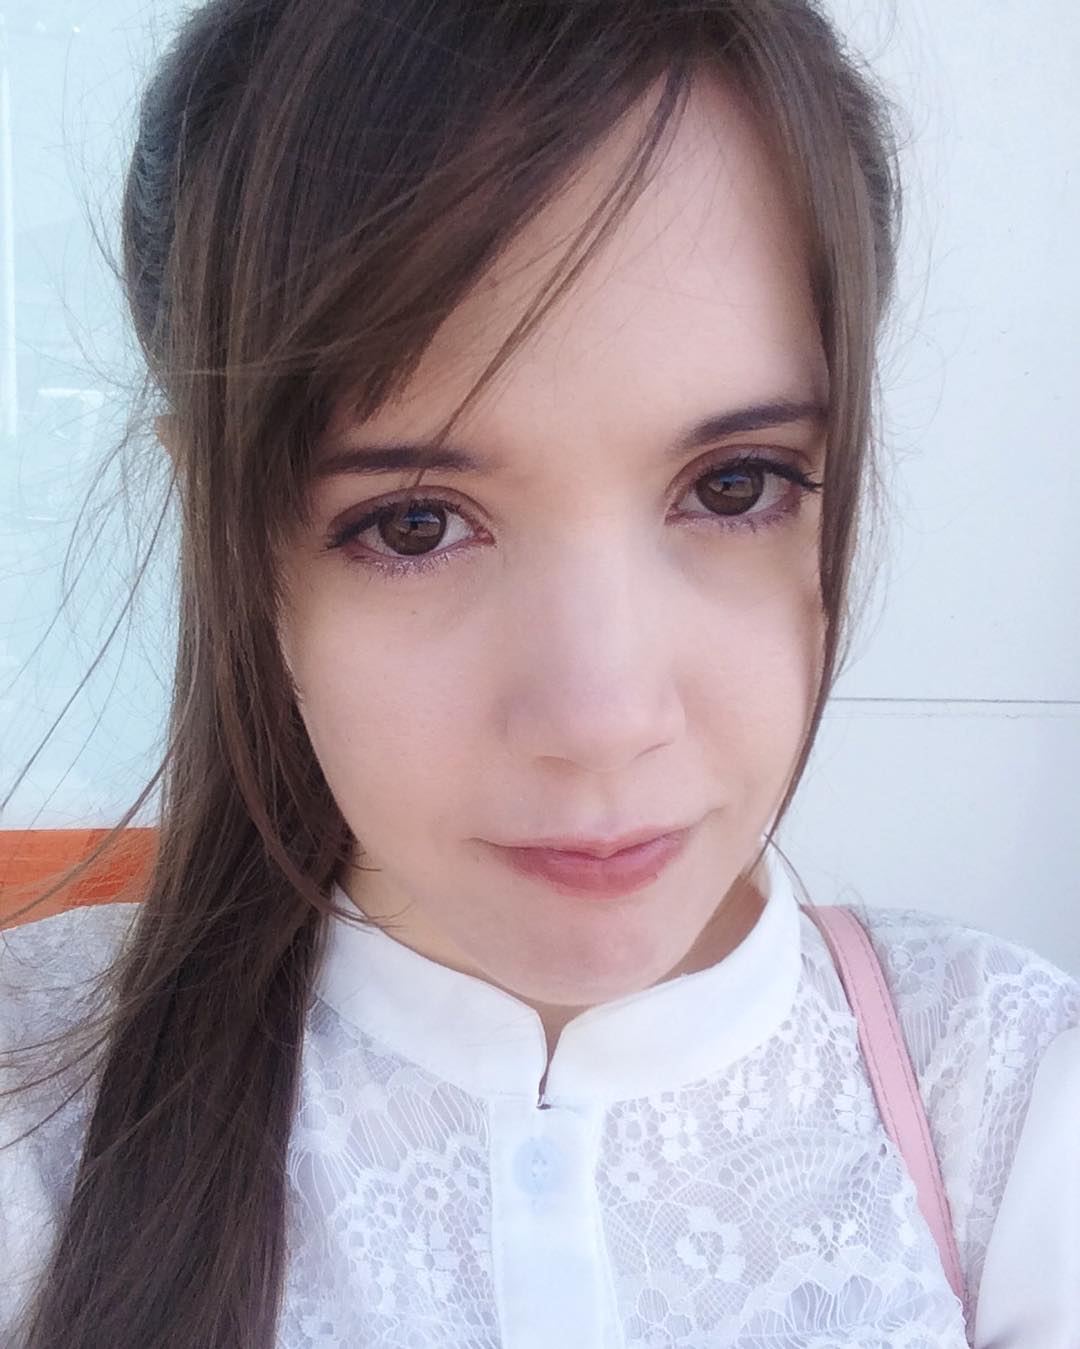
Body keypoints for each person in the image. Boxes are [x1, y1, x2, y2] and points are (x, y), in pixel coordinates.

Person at [1, 1, 1077, 1345]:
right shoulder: (35, 1111)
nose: (603, 718)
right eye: (414, 524)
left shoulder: (1014, 1110)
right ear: (233, 539)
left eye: (735, 485)